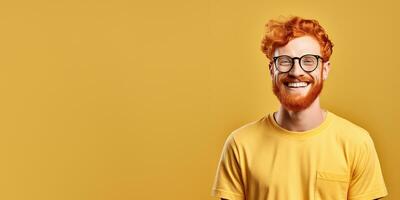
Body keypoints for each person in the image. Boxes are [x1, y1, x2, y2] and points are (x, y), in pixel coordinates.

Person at [210, 16, 388, 200]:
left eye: (309, 61)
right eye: (285, 61)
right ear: (272, 70)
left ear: (325, 69)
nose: (296, 72)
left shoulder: (357, 143)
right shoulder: (240, 144)